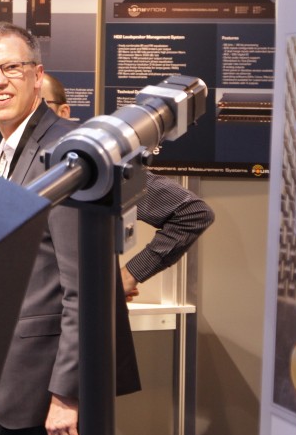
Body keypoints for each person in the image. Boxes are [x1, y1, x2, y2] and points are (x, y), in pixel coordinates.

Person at [0, 22, 141, 435]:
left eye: (11, 68)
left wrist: (67, 395)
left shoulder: (64, 153)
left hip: (32, 386)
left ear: (38, 76)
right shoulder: (13, 151)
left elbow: (86, 287)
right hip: (14, 376)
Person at [39, 72, 215, 302]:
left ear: (63, 112)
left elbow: (192, 213)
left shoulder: (92, 168)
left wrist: (129, 275)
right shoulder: (12, 160)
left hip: (70, 315)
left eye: (42, 105)